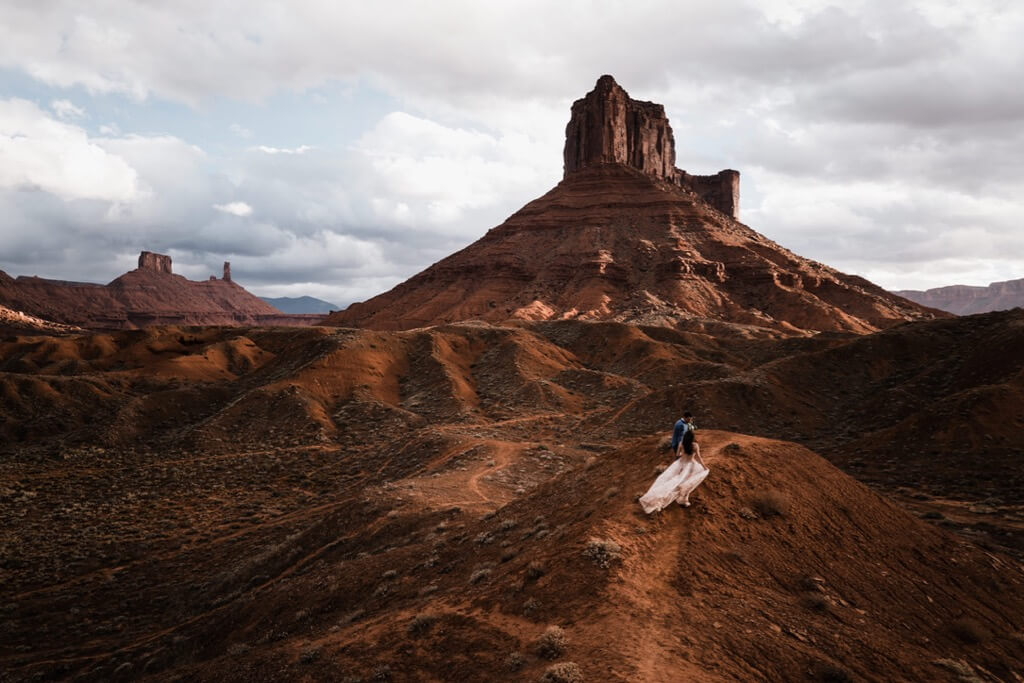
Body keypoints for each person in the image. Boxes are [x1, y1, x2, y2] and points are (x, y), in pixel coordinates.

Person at [639, 412, 709, 514]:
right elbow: (699, 458)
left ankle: (663, 499)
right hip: (690, 465)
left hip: (680, 464)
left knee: (672, 481)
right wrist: (705, 467)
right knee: (686, 483)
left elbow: (678, 454)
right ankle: (683, 500)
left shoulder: (681, 443)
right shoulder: (695, 445)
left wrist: (681, 457)